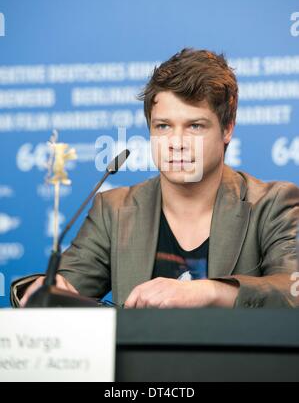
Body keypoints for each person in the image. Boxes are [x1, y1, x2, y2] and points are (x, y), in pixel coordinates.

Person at [13, 48, 299, 308]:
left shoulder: (273, 204)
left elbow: (292, 291)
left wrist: (208, 292)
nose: (176, 142)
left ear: (227, 130)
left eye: (195, 126)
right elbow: (63, 288)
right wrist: (47, 292)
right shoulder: (113, 211)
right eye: (163, 126)